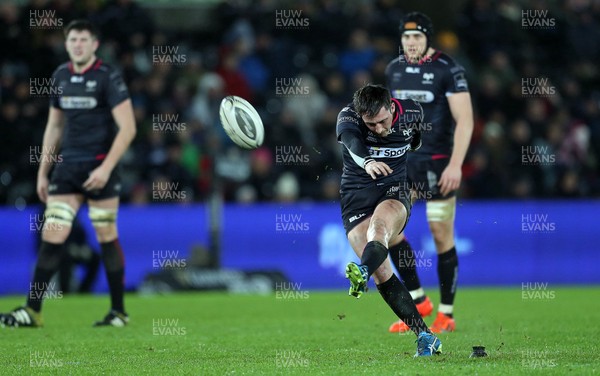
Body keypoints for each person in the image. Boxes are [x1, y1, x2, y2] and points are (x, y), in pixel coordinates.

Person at [0, 20, 136, 327]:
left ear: (94, 44)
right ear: (66, 44)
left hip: (100, 167)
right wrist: (43, 172)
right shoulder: (60, 76)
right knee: (53, 236)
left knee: (106, 235)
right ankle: (32, 310)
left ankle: (118, 312)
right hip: (68, 169)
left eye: (83, 39)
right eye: (72, 39)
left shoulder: (107, 76)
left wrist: (105, 168)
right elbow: (55, 127)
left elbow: (128, 128)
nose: (77, 44)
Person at [385, 12, 474, 333]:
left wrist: (455, 164)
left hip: (438, 162)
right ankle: (418, 300)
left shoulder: (447, 69)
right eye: (406, 37)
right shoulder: (393, 70)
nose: (411, 43)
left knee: (440, 234)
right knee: (392, 231)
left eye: (417, 37)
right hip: (404, 164)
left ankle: (446, 314)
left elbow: (465, 120)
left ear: (427, 39)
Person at [338, 83, 441, 357]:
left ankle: (361, 272)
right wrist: (368, 161)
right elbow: (352, 142)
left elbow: (416, 139)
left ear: (392, 107)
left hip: (393, 189)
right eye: (371, 124)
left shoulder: (411, 110)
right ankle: (425, 335)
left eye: (383, 121)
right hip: (356, 194)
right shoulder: (348, 117)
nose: (379, 129)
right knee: (383, 273)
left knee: (380, 229)